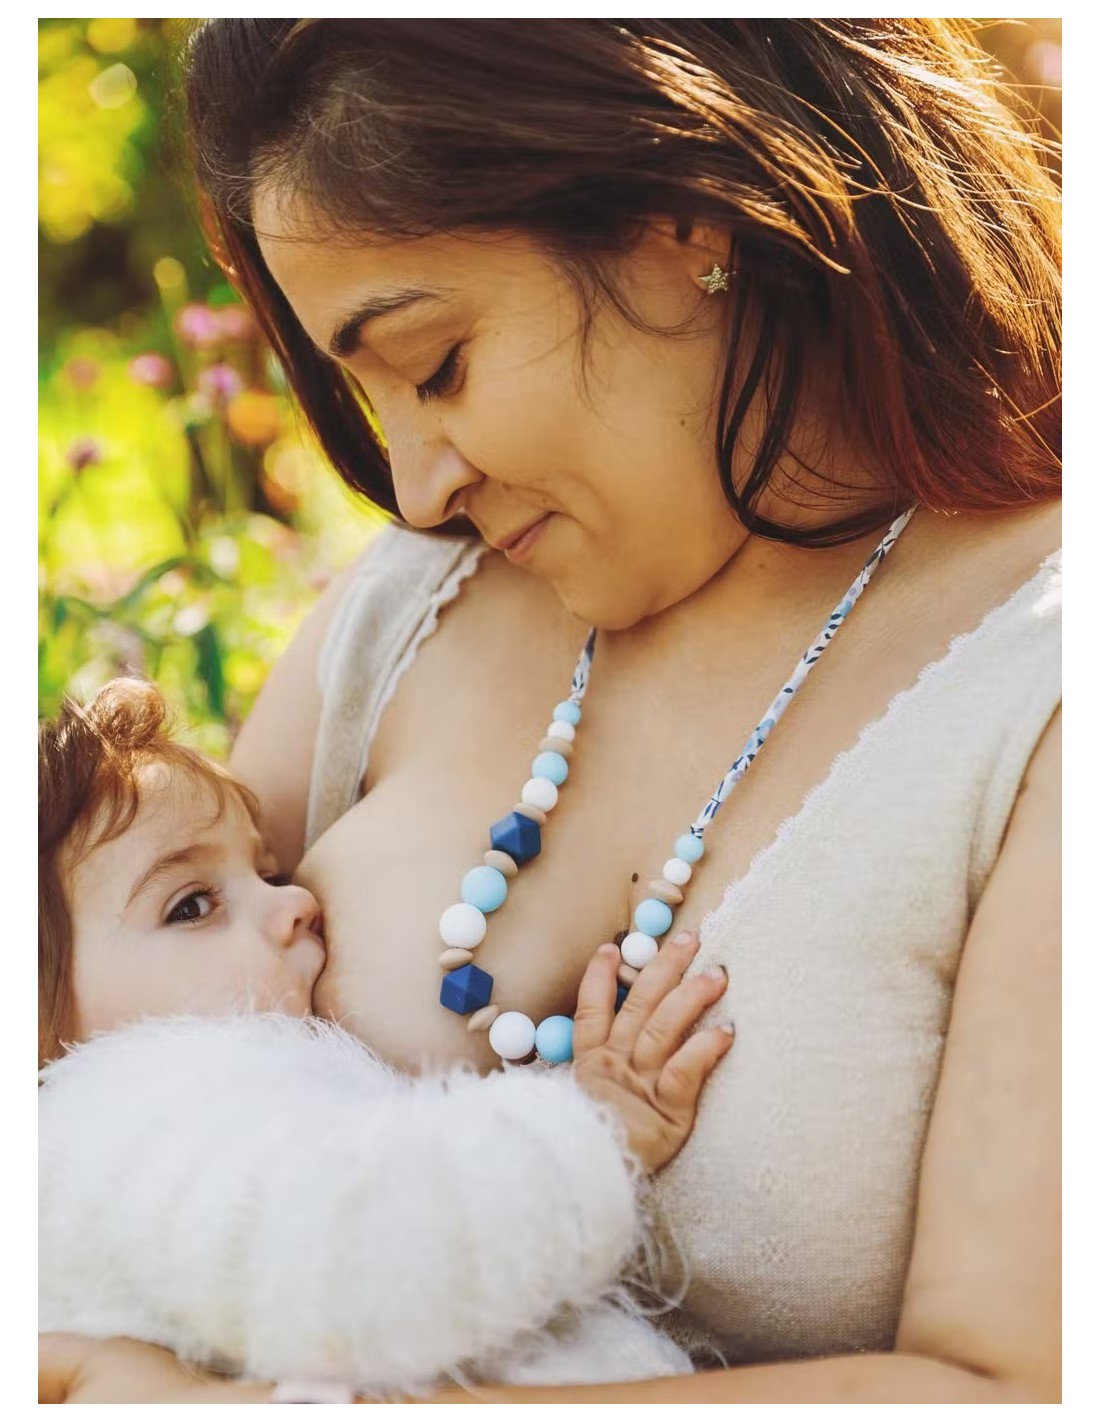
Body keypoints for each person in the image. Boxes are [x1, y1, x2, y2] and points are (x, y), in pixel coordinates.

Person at [40, 17, 1060, 1405]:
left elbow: (1011, 1383)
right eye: (363, 390)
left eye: (436, 361)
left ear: (684, 223)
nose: (411, 486)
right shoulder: (408, 610)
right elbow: (61, 995)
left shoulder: (1042, 679)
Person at [38, 677, 732, 1396]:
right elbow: (366, 1257)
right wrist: (594, 1131)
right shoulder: (133, 1117)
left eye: (266, 870)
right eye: (192, 906)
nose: (296, 902)